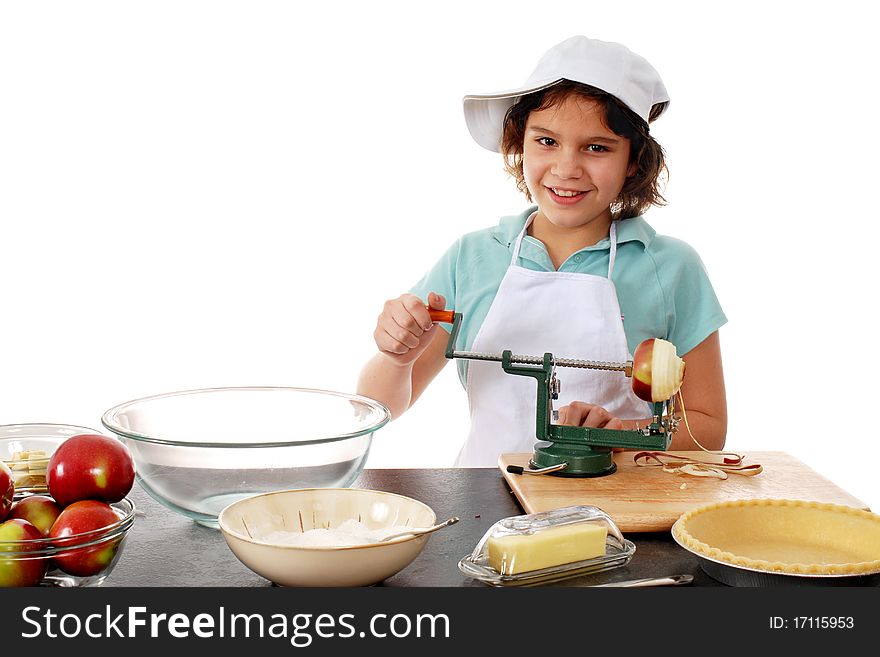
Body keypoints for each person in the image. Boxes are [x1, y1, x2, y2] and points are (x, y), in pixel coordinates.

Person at [357, 35, 727, 466]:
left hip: (614, 507)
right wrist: (396, 358)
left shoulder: (670, 267)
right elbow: (379, 406)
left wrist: (620, 434)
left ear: (633, 161)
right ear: (519, 141)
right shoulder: (473, 257)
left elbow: (708, 425)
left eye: (596, 147)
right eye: (546, 141)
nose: (566, 168)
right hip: (486, 502)